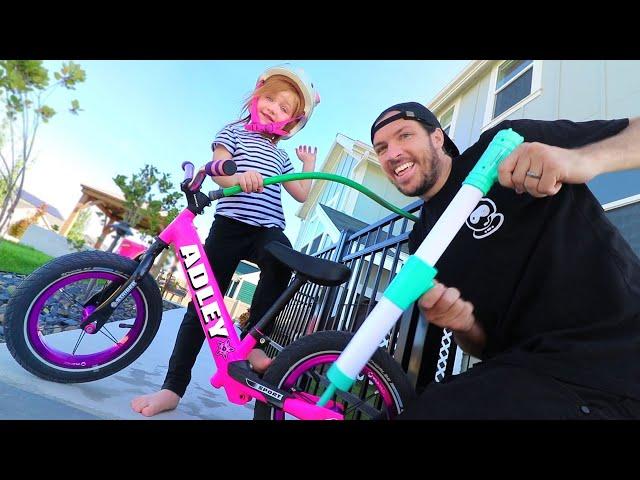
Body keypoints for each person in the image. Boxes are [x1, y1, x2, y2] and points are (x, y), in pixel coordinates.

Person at [370, 101, 640, 419]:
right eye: (381, 148)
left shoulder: (504, 144)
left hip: (618, 350)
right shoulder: (423, 240)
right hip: (527, 374)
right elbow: (479, 345)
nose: (392, 154)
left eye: (404, 135)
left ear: (437, 138)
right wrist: (463, 323)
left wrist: (578, 160)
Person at [131, 64, 320, 417]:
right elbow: (218, 168)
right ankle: (172, 388)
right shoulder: (232, 132)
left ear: (290, 123)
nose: (273, 110)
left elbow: (300, 194)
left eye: (284, 109)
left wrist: (309, 162)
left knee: (282, 261)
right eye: (271, 100)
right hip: (229, 226)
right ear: (257, 95)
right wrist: (236, 174)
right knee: (201, 307)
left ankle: (255, 342)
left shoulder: (280, 155)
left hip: (267, 227)